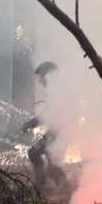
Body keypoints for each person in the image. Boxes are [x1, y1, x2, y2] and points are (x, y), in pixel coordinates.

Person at [22, 62, 65, 193]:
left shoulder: (57, 92)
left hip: (59, 132)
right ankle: (64, 188)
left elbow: (47, 115)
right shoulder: (56, 90)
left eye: (41, 76)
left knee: (34, 153)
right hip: (58, 131)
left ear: (49, 75)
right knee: (52, 165)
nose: (40, 80)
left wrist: (29, 124)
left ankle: (42, 189)